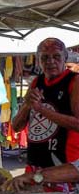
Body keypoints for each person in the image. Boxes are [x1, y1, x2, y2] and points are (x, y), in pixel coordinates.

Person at [10, 38, 79, 178]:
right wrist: (27, 106)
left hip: (64, 169)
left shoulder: (74, 81)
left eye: (56, 56)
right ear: (38, 60)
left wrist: (42, 109)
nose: (51, 61)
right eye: (45, 57)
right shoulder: (37, 82)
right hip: (35, 166)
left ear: (65, 57)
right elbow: (16, 127)